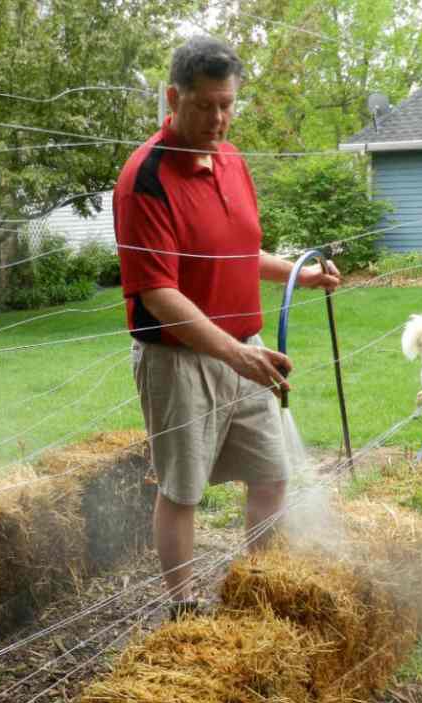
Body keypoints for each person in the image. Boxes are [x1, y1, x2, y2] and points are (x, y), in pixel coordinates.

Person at [113, 35, 340, 619]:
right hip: (178, 361)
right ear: (173, 96)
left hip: (247, 352)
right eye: (205, 105)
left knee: (271, 475)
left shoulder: (233, 161)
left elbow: (242, 253)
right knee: (182, 490)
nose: (218, 118)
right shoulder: (145, 179)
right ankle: (183, 606)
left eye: (227, 104)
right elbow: (159, 295)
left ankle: (255, 586)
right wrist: (234, 357)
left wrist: (301, 275)